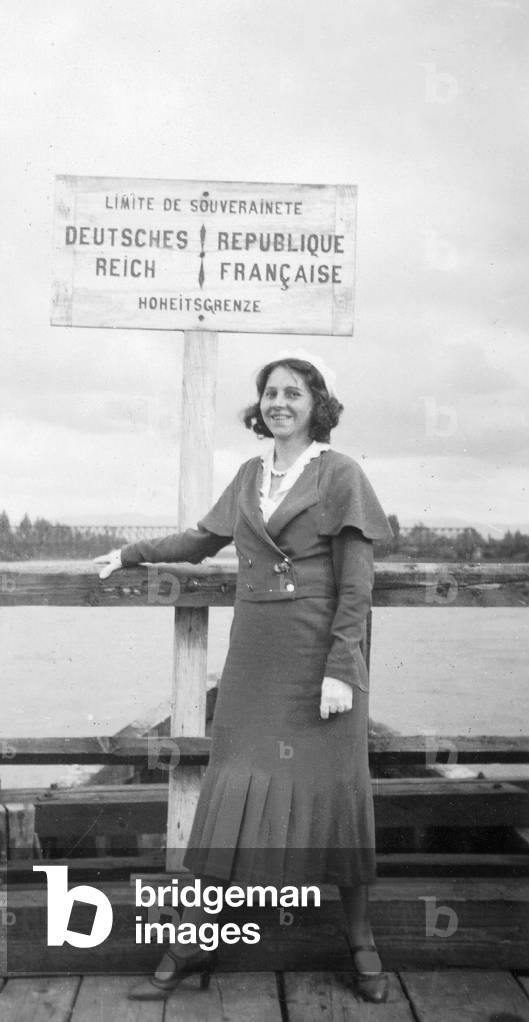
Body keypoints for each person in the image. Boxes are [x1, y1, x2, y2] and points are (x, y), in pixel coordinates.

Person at [97, 357, 394, 1003]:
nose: (279, 402)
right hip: (254, 660)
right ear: (258, 406)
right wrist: (130, 552)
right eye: (269, 393)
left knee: (334, 796)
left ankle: (360, 940)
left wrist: (342, 669)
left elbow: (356, 584)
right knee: (230, 794)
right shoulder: (247, 476)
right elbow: (200, 541)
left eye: (293, 392)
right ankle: (192, 942)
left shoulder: (340, 473)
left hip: (319, 664)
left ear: (317, 403)